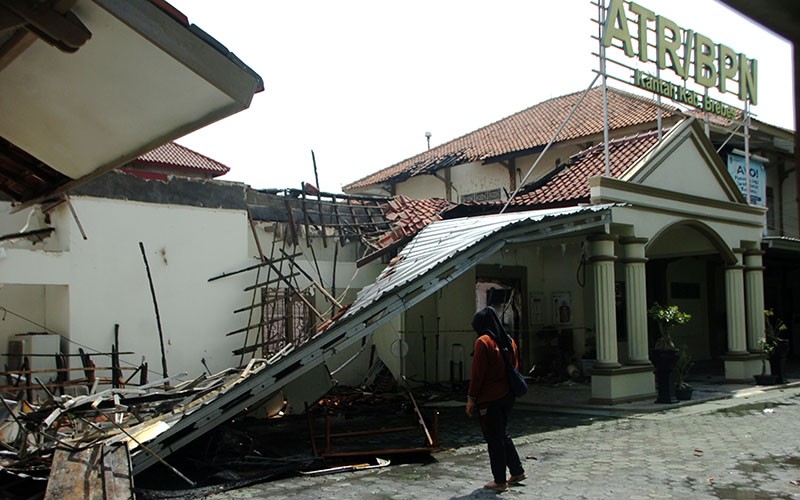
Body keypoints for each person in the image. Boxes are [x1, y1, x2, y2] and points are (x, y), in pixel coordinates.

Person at [466, 306, 526, 491]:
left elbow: (478, 374)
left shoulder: (483, 342)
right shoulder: (510, 341)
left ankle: (499, 481)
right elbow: (515, 367)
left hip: (489, 398)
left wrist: (471, 398)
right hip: (508, 396)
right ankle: (516, 471)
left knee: (494, 439)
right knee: (501, 434)